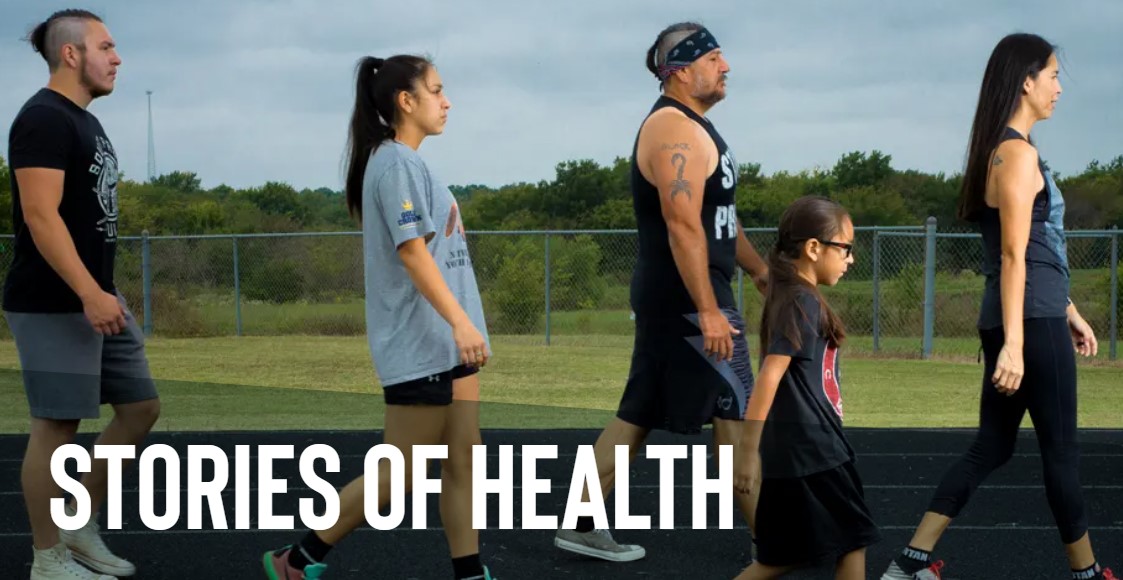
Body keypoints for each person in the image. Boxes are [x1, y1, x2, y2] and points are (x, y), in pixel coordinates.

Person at [881, 33, 1115, 580]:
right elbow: (1012, 255)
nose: (1060, 87)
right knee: (1061, 452)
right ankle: (1086, 574)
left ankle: (911, 562)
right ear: (1026, 80)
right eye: (1054, 75)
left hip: (1032, 314)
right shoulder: (1015, 153)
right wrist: (1015, 342)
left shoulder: (1010, 150)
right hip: (1025, 323)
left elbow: (1034, 248)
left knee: (993, 446)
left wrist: (1069, 309)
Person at [260, 54, 495, 580]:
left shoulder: (409, 162)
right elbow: (412, 253)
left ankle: (470, 573)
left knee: (465, 461)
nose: (447, 100)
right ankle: (296, 559)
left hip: (447, 345)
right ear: (404, 102)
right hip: (422, 343)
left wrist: (460, 329)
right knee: (402, 470)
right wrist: (460, 322)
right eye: (436, 91)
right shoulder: (395, 163)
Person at [554, 21, 769, 563]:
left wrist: (762, 272)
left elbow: (719, 220)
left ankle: (578, 522)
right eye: (715, 57)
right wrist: (708, 308)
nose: (726, 67)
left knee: (639, 412)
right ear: (681, 69)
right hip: (690, 302)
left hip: (682, 298)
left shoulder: (694, 129)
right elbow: (682, 226)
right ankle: (773, 543)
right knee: (735, 415)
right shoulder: (673, 129)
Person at [5, 9, 160, 580]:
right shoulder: (43, 118)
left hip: (96, 296)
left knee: (141, 408)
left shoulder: (85, 121)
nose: (117, 57)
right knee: (57, 427)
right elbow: (41, 218)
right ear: (71, 55)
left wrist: (104, 291)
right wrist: (89, 292)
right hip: (54, 301)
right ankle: (48, 560)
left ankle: (74, 520)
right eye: (106, 46)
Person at [731, 196, 878, 579]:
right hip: (814, 451)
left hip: (800, 450)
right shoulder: (800, 300)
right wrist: (748, 453)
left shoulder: (797, 296)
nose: (850, 259)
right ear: (814, 248)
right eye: (845, 248)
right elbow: (769, 374)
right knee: (852, 537)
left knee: (781, 558)